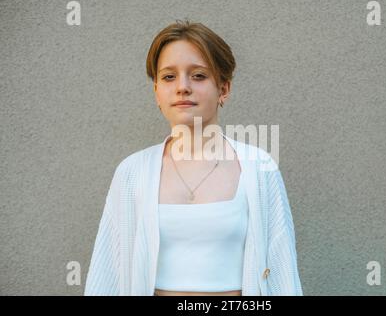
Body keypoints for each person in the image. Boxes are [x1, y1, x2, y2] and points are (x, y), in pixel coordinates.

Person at [84, 19, 303, 296]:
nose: (182, 87)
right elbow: (108, 276)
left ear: (224, 88)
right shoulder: (131, 173)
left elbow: (283, 274)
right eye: (168, 77)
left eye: (198, 75)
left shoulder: (259, 169)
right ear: (156, 93)